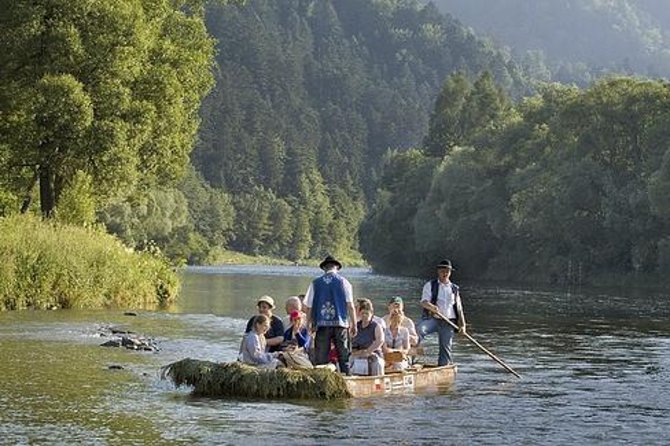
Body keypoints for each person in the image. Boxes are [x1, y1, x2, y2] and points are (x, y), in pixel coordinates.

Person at [304, 255, 357, 374]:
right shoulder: (344, 282)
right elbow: (350, 305)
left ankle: (323, 380)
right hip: (341, 323)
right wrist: (354, 324)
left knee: (321, 356)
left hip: (321, 324)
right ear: (336, 267)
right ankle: (346, 377)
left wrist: (308, 323)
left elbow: (309, 306)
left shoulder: (315, 283)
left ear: (324, 268)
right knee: (343, 355)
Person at [416, 259, 467, 366]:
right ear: (438, 272)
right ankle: (410, 357)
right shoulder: (430, 285)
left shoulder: (454, 289)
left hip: (448, 322)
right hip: (433, 319)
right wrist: (432, 307)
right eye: (442, 271)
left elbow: (459, 308)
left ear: (450, 272)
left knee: (445, 348)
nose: (445, 273)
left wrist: (462, 325)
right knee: (419, 330)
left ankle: (443, 368)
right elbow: (424, 302)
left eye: (447, 271)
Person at [349, 299, 385, 376]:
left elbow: (380, 340)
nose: (364, 315)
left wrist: (368, 351)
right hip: (359, 353)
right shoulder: (356, 326)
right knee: (350, 361)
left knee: (376, 363)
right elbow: (351, 341)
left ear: (371, 314)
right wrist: (356, 352)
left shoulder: (376, 326)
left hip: (373, 353)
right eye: (363, 313)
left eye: (367, 313)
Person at [383, 307, 411, 371]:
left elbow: (406, 349)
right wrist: (396, 351)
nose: (396, 323)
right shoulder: (384, 331)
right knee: (384, 364)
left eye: (398, 321)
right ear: (391, 319)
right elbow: (385, 349)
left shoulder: (405, 331)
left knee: (398, 365)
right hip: (387, 357)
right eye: (394, 320)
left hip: (400, 357)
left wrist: (397, 352)